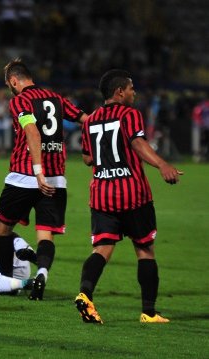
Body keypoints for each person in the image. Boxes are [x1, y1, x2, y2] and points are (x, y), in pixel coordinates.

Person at [75, 69, 183, 324]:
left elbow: (87, 157)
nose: (134, 93)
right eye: (131, 88)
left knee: (101, 249)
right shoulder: (130, 114)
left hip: (101, 194)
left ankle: (85, 294)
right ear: (119, 91)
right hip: (132, 194)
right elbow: (138, 143)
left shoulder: (90, 121)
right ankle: (149, 312)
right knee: (144, 249)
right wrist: (162, 165)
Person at [0, 59, 88, 301]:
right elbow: (86, 119)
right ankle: (42, 272)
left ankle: (7, 281)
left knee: (2, 229)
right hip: (56, 179)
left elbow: (32, 132)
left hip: (25, 177)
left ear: (14, 81)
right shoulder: (56, 98)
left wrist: (37, 171)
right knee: (45, 234)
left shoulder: (20, 101)